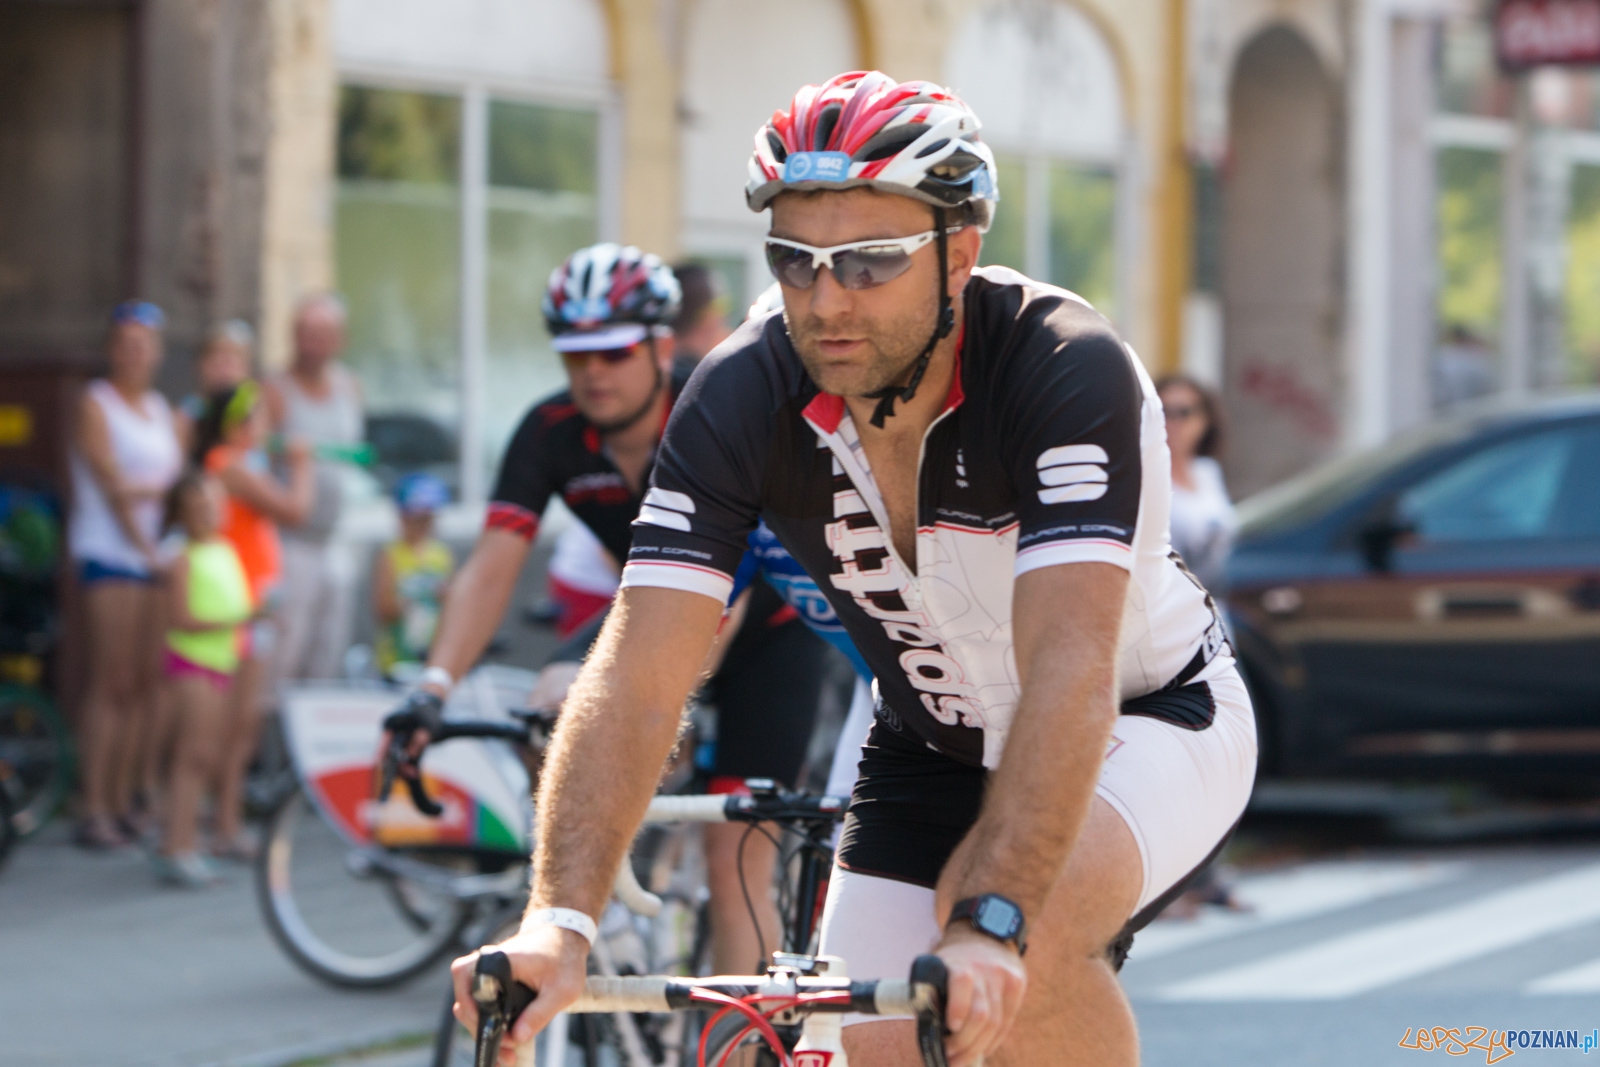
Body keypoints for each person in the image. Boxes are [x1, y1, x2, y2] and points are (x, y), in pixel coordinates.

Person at [447, 73, 1257, 1067]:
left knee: (1015, 943)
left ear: (959, 249)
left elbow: (1068, 667)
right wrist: (558, 918)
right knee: (867, 1039)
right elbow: (638, 669)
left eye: (871, 260)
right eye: (795, 259)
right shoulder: (743, 391)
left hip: (1145, 711)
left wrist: (992, 922)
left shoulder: (1060, 365)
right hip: (927, 737)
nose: (826, 300)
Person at [396, 242, 830, 976]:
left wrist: (649, 705)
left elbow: (736, 579)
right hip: (654, 611)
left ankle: (732, 1047)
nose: (592, 372)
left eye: (613, 351)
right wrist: (431, 688)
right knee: (552, 704)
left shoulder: (716, 403)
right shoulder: (550, 432)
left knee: (734, 859)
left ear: (662, 344)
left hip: (765, 628)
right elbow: (491, 565)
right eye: (574, 356)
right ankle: (606, 911)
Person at [69, 300, 183, 849]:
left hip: (153, 558)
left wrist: (162, 549)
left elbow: (174, 489)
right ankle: (92, 804)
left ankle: (124, 798)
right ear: (112, 349)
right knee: (110, 681)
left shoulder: (160, 409)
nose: (135, 354)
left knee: (142, 685)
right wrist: (149, 549)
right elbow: (113, 487)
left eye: (144, 344)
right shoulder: (96, 403)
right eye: (126, 343)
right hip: (111, 554)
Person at [195, 381, 314, 858]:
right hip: (238, 611)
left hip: (254, 610)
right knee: (233, 723)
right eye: (261, 416)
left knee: (242, 723)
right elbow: (295, 509)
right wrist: (303, 465)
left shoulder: (241, 463)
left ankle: (224, 820)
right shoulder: (230, 463)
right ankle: (219, 825)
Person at [154, 471, 256, 887]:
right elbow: (179, 618)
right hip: (192, 663)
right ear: (181, 514)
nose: (207, 513)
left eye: (212, 505)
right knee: (191, 757)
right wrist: (240, 619)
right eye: (197, 508)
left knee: (207, 757)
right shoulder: (180, 556)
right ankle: (176, 847)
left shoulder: (226, 549)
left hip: (223, 662)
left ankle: (189, 841)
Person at [265, 293, 364, 688]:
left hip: (336, 537)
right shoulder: (275, 390)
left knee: (326, 658)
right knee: (283, 658)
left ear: (339, 339)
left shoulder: (349, 386)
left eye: (322, 333)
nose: (312, 343)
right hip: (290, 542)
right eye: (304, 332)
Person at [1156, 375, 1236, 592]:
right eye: (1164, 412)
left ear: (1205, 420)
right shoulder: (1144, 478)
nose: (1173, 423)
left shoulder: (1207, 472)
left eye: (1184, 413)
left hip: (1212, 602)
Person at [372, 473, 454, 677]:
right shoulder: (391, 554)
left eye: (427, 518)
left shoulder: (441, 555)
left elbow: (453, 603)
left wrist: (444, 595)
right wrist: (416, 597)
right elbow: (383, 609)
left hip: (431, 653)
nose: (423, 525)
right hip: (396, 656)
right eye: (417, 519)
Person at [175, 321, 254, 457]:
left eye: (230, 358)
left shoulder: (254, 408)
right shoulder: (190, 411)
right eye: (214, 357)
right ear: (199, 366)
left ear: (246, 367)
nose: (223, 365)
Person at [670, 263, 735, 363]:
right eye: (721, 306)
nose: (726, 317)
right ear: (708, 318)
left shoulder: (651, 370)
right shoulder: (714, 376)